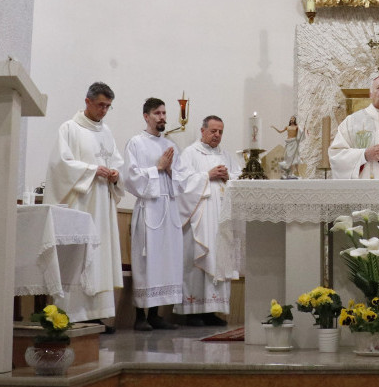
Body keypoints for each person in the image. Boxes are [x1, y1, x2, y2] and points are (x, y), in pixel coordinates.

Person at [43, 82, 123, 331]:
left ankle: (97, 315)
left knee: (100, 258)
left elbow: (117, 161)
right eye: (100, 105)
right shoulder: (69, 129)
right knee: (80, 258)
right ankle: (73, 314)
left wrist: (115, 175)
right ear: (87, 102)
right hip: (82, 204)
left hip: (103, 204)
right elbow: (60, 166)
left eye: (108, 107)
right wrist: (91, 170)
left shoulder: (106, 132)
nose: (104, 111)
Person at [122, 98, 193, 330]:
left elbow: (183, 180)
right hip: (148, 209)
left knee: (165, 261)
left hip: (168, 209)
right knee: (146, 260)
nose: (162, 117)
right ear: (146, 116)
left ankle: (155, 314)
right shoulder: (136, 143)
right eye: (157, 113)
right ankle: (139, 317)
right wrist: (158, 168)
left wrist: (171, 170)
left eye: (164, 113)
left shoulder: (170, 145)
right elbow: (130, 178)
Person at [175, 115, 240, 327]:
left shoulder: (227, 156)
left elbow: (239, 178)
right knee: (198, 260)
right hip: (200, 219)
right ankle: (193, 311)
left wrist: (229, 176)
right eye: (213, 131)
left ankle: (213, 309)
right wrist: (207, 176)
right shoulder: (190, 154)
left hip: (221, 217)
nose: (217, 135)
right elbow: (181, 184)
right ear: (202, 131)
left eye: (221, 131)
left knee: (219, 260)